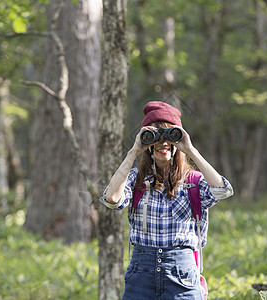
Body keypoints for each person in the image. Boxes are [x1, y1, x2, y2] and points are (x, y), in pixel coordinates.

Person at [100, 101, 234, 300]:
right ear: (147, 143)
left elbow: (222, 190)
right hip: (141, 273)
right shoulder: (136, 179)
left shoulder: (193, 181)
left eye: (169, 135)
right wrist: (133, 151)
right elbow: (112, 198)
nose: (163, 142)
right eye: (155, 136)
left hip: (182, 272)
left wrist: (190, 149)